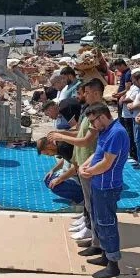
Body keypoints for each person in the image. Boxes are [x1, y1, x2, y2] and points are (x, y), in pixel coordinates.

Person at [78, 102, 130, 278]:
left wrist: (89, 172)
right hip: (98, 184)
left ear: (102, 117)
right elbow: (97, 154)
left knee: (107, 223)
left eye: (94, 121)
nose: (93, 126)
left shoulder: (117, 133)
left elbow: (107, 162)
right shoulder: (105, 131)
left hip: (108, 186)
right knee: (98, 221)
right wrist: (85, 166)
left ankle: (113, 264)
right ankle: (104, 255)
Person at [49, 79, 103, 247]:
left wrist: (61, 136)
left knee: (92, 200)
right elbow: (80, 132)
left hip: (90, 161)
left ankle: (91, 230)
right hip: (83, 160)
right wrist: (62, 133)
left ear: (96, 93)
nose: (83, 95)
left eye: (86, 92)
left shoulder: (99, 113)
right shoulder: (89, 110)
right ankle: (86, 221)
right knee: (88, 199)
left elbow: (86, 140)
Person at [37, 137, 84, 206]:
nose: (49, 155)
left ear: (49, 145)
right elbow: (64, 159)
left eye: (47, 153)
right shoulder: (59, 147)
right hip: (67, 173)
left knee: (55, 186)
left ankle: (81, 198)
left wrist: (59, 179)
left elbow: (75, 168)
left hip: (76, 177)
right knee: (47, 180)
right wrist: (53, 170)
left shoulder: (64, 148)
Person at [125, 71, 140, 170]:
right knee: (137, 141)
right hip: (135, 117)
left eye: (135, 82)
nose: (134, 84)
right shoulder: (139, 89)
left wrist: (131, 107)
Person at [111, 59, 135, 159]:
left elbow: (127, 89)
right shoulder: (124, 73)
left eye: (118, 67)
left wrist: (118, 95)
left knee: (125, 126)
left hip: (124, 102)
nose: (117, 69)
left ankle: (129, 149)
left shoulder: (128, 74)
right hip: (121, 100)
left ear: (121, 65)